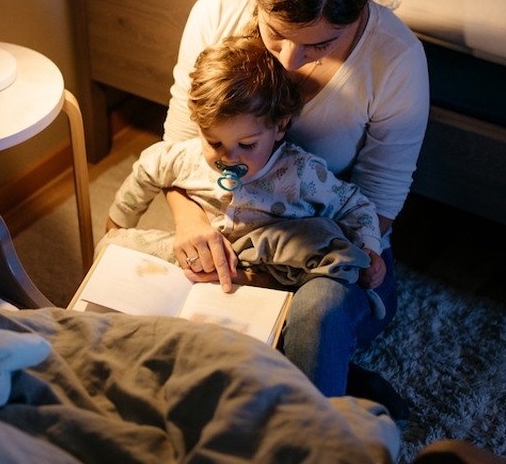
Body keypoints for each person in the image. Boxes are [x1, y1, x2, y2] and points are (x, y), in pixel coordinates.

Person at [160, 0, 429, 419]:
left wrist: (279, 258)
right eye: (275, 32)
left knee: (317, 314)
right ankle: (329, 381)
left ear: (359, 13)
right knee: (144, 272)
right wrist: (190, 220)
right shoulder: (217, 13)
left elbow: (380, 202)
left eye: (320, 44)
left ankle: (305, 438)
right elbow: (177, 145)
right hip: (223, 216)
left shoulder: (394, 59)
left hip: (326, 244)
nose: (289, 61)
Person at [104, 34, 387, 297]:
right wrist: (117, 222)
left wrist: (370, 248)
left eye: (247, 145)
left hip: (276, 270)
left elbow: (354, 205)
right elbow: (147, 168)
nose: (229, 158)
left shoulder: (300, 172)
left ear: (279, 126)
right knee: (114, 247)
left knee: (331, 262)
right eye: (215, 143)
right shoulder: (185, 158)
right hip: (203, 257)